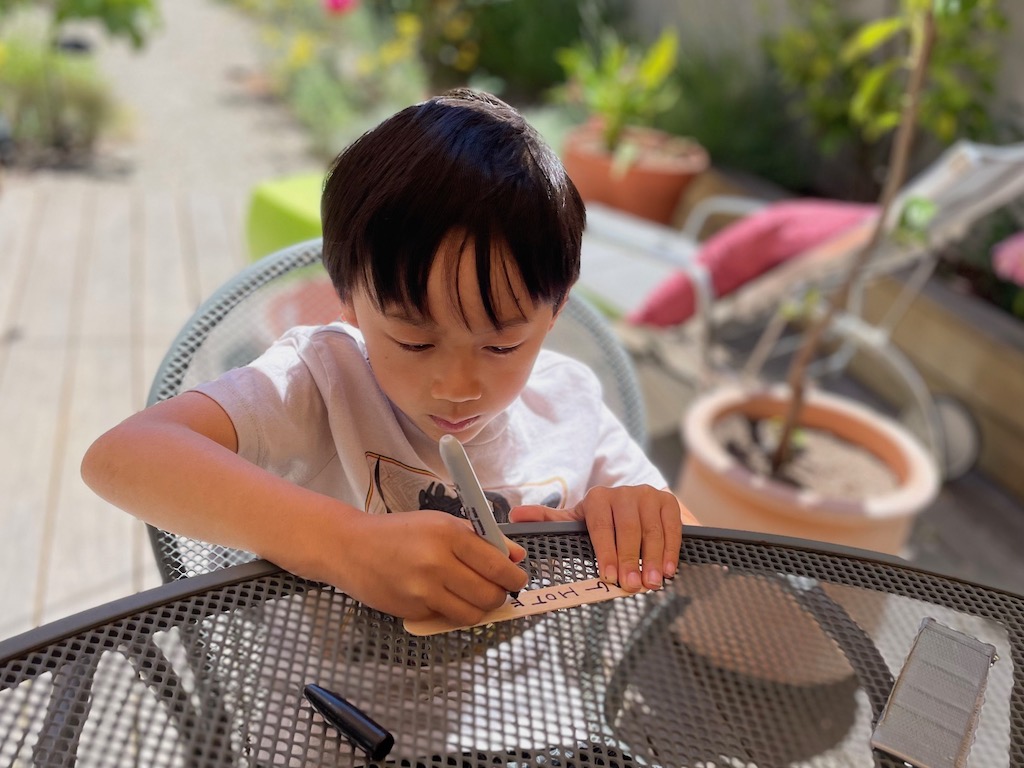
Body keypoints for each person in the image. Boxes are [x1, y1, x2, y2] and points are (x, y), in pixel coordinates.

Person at [81, 88, 699, 629]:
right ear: (348, 298)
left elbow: (699, 552)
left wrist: (630, 520)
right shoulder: (320, 382)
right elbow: (122, 456)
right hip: (329, 728)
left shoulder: (567, 401)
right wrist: (344, 544)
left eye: (502, 345)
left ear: (557, 308)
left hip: (532, 713)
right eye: (414, 342)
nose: (458, 386)